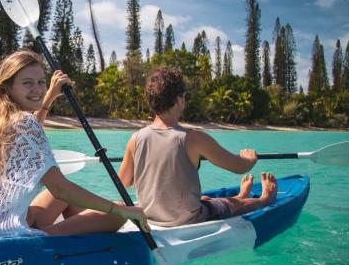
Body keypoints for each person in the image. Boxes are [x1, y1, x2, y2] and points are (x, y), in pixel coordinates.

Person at [0, 50, 150, 240]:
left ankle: (81, 241)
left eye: (41, 82)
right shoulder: (25, 123)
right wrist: (120, 209)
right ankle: (81, 249)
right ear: (8, 88)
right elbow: (61, 189)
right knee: (115, 217)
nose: (37, 89)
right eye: (27, 83)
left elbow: (29, 139)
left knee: (57, 199)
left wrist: (49, 96)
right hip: (12, 238)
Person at [117, 66, 278, 227]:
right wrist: (249, 159)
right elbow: (238, 167)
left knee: (206, 199)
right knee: (231, 206)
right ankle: (266, 199)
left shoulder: (135, 139)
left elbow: (123, 182)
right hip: (187, 219)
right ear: (179, 100)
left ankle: (241, 194)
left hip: (150, 217)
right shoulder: (193, 138)